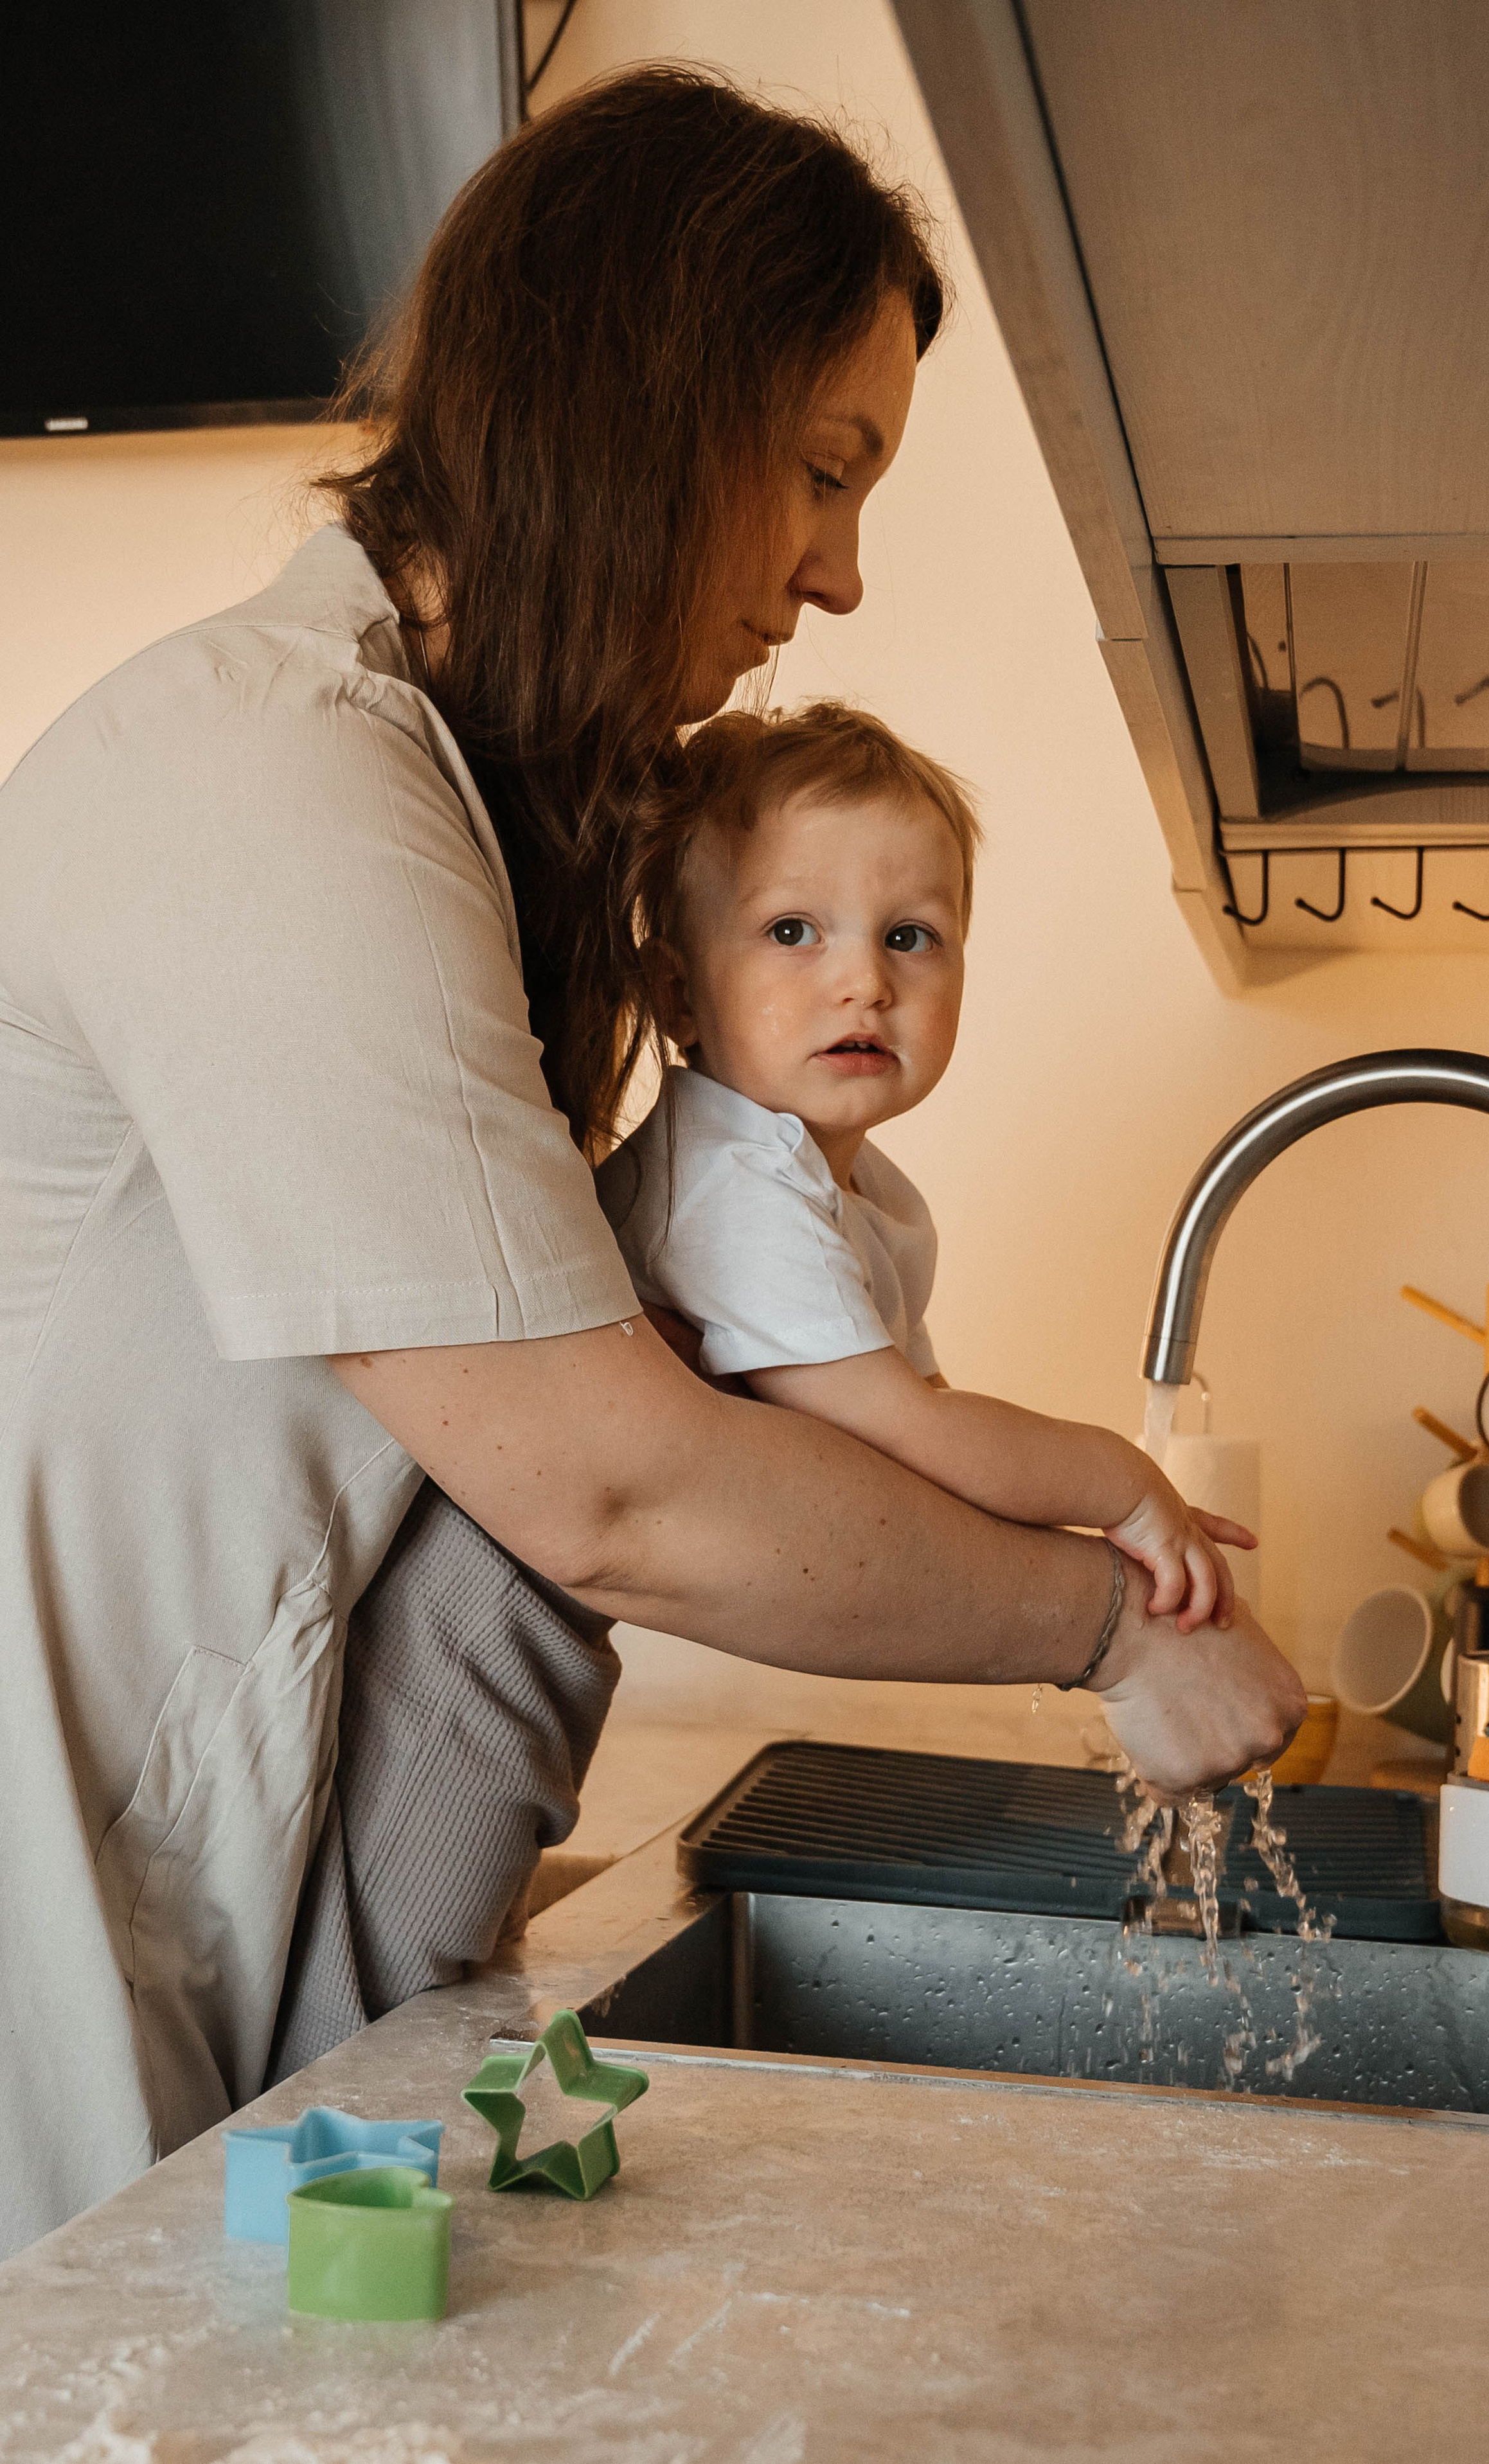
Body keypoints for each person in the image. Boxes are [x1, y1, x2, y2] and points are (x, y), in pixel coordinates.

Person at [0, 66, 1303, 2256]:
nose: (839, 572)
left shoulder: (457, 812)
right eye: (819, 469)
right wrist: (1108, 1625)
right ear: (640, 399)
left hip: (181, 1877)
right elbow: (612, 1479)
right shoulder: (274, 784)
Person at [600, 702, 1256, 1633]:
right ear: (678, 992)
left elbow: (928, 1435)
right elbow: (903, 1431)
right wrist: (1124, 1486)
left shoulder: (865, 1188)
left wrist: (1098, 1545)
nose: (866, 980)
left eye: (909, 936)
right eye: (793, 932)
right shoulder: (729, 1187)